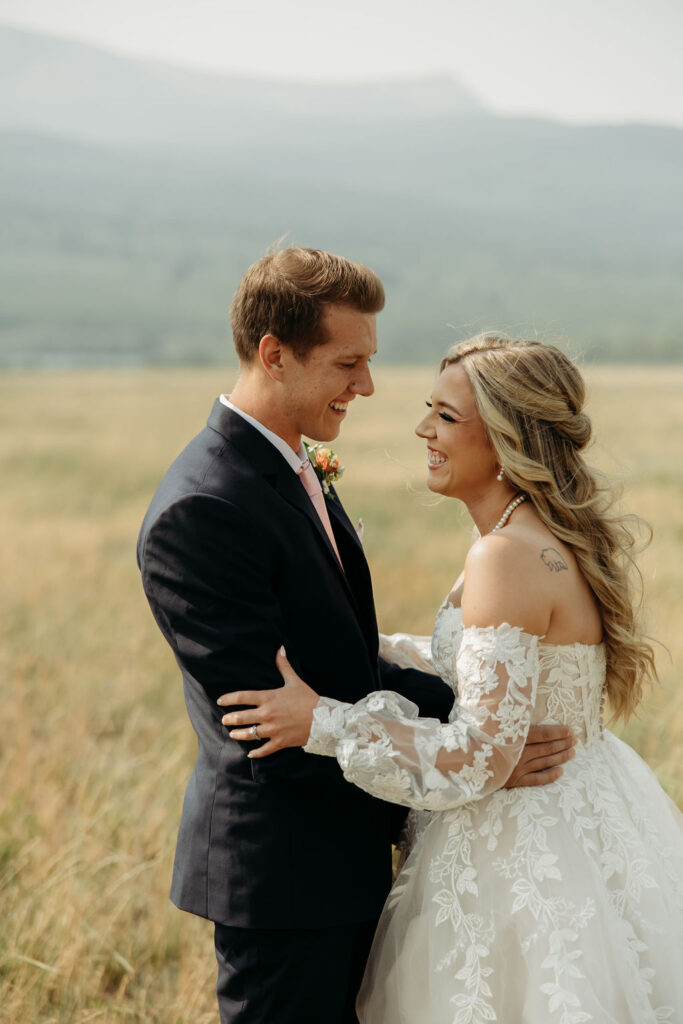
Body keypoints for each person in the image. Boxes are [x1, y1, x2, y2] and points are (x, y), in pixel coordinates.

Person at [137, 254, 575, 1024]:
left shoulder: (293, 466)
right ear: (274, 354)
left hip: (350, 860)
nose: (366, 387)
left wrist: (483, 729)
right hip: (286, 879)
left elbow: (339, 659)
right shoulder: (203, 509)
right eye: (348, 362)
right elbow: (268, 720)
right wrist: (475, 750)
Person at [219, 334, 683, 1022]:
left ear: (503, 436)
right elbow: (490, 663)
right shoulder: (534, 534)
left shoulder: (504, 554)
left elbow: (474, 758)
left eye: (443, 416)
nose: (422, 430)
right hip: (586, 805)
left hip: (527, 843)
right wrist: (359, 645)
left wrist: (319, 721)